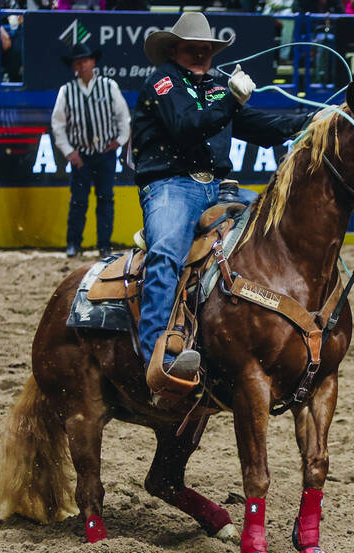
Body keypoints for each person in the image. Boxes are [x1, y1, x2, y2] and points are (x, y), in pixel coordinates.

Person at [129, 12, 311, 389]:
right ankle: (156, 357)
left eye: (205, 50)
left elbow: (256, 126)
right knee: (166, 252)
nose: (200, 55)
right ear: (175, 49)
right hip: (169, 185)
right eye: (193, 49)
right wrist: (230, 100)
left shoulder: (215, 89)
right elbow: (186, 123)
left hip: (218, 188)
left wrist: (310, 120)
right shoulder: (162, 83)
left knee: (275, 233)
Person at [51, 42, 130, 259]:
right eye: (78, 62)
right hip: (81, 156)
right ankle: (73, 243)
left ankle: (104, 245)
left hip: (105, 153)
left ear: (93, 62)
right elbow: (58, 125)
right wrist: (69, 152)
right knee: (78, 200)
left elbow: (123, 116)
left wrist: (120, 140)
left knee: (105, 198)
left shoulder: (109, 86)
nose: (82, 65)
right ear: (74, 67)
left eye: (85, 60)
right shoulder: (67, 91)